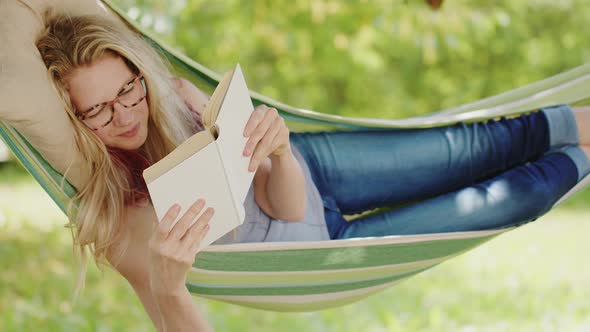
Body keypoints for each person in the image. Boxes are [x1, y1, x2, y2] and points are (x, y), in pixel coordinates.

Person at [35, 13, 590, 332]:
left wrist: (276, 150)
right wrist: (171, 287)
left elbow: (288, 204)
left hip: (308, 173)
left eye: (127, 89)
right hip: (314, 256)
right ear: (74, 121)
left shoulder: (179, 100)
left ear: (139, 74)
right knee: (518, 197)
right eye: (99, 111)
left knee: (483, 144)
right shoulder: (120, 225)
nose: (125, 113)